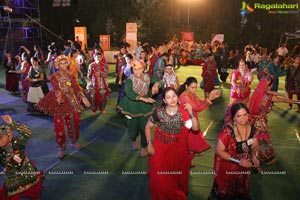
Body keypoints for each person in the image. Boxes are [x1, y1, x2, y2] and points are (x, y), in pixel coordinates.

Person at [145, 87, 199, 200]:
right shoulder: (159, 113)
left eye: (174, 96)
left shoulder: (184, 111)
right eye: (168, 97)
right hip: (160, 149)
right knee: (160, 178)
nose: (172, 99)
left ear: (177, 97)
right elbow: (148, 127)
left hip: (178, 150)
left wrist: (191, 113)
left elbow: (195, 128)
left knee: (176, 176)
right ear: (164, 100)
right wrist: (149, 143)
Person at [36, 55, 91, 158]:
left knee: (75, 122)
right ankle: (62, 147)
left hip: (72, 101)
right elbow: (56, 88)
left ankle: (73, 141)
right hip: (58, 103)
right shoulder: (53, 76)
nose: (64, 65)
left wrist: (83, 98)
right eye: (61, 63)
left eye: (66, 63)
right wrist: (59, 97)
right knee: (59, 127)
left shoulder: (71, 76)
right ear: (57, 65)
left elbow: (75, 88)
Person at [208, 103, 259, 200]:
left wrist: (254, 155)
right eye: (239, 116)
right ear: (234, 118)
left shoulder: (252, 128)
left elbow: (254, 145)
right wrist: (239, 161)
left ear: (248, 115)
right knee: (224, 192)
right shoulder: (228, 131)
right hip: (227, 165)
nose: (243, 118)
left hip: (244, 164)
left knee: (241, 186)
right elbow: (219, 151)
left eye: (245, 115)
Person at [117, 60, 163, 157]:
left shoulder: (147, 77)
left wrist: (156, 84)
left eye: (140, 69)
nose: (137, 71)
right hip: (131, 106)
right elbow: (129, 92)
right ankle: (133, 139)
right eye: (135, 69)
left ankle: (143, 147)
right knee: (132, 128)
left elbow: (160, 81)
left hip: (145, 107)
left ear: (144, 68)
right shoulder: (129, 80)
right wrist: (143, 98)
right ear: (132, 70)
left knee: (144, 127)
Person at [248, 78, 297, 166]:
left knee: (254, 139)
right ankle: (261, 157)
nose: (270, 88)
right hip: (260, 122)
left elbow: (271, 92)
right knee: (263, 139)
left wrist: (281, 94)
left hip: (252, 120)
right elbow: (282, 100)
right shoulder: (268, 97)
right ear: (268, 86)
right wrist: (295, 101)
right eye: (269, 86)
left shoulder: (257, 92)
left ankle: (252, 156)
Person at [0, 115, 43, 200]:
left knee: (34, 193)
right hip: (12, 176)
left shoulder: (17, 142)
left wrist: (12, 123)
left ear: (10, 136)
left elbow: (27, 133)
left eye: (0, 137)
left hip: (26, 171)